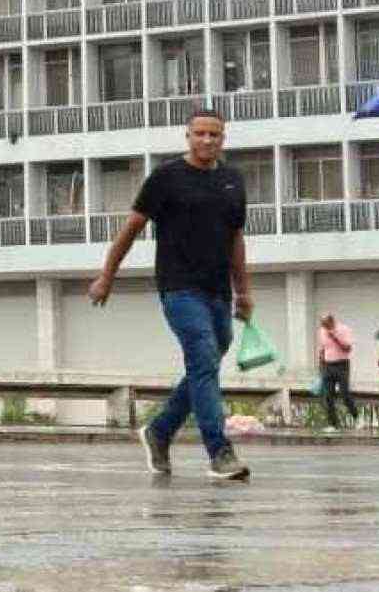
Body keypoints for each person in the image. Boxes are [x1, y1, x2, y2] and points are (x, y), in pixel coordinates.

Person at [90, 108, 252, 482]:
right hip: (179, 288)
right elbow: (131, 228)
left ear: (223, 139)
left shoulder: (232, 181)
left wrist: (243, 291)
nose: (207, 141)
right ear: (188, 136)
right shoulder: (166, 178)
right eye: (200, 134)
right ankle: (220, 452)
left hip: (217, 290)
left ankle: (160, 431)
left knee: (205, 365)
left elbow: (236, 241)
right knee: (202, 358)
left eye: (215, 135)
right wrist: (106, 276)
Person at [316, 313, 360, 430]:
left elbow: (348, 348)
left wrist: (335, 337)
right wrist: (321, 366)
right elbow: (322, 349)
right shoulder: (322, 331)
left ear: (332, 321)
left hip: (341, 364)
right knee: (328, 395)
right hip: (327, 365)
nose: (324, 327)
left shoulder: (343, 329)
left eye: (326, 324)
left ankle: (356, 417)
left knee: (344, 393)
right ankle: (333, 424)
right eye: (322, 324)